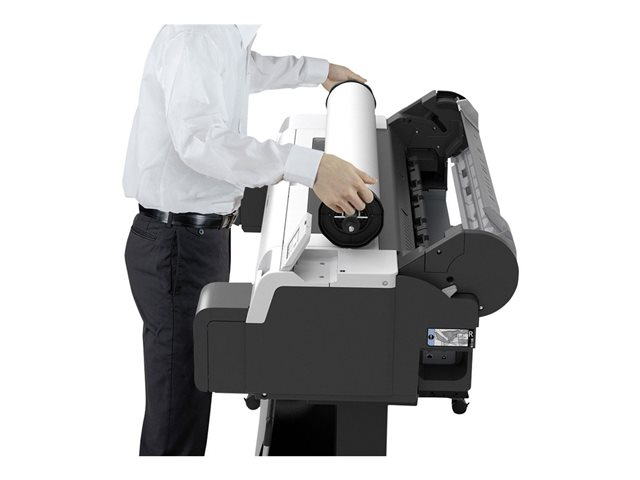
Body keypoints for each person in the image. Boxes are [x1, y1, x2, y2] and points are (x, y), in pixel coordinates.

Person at [123, 24, 377, 456]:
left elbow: (240, 69)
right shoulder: (195, 34)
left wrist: (319, 71)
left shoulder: (222, 33)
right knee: (177, 410)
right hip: (176, 245)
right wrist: (310, 166)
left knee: (189, 395)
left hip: (198, 238)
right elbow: (199, 141)